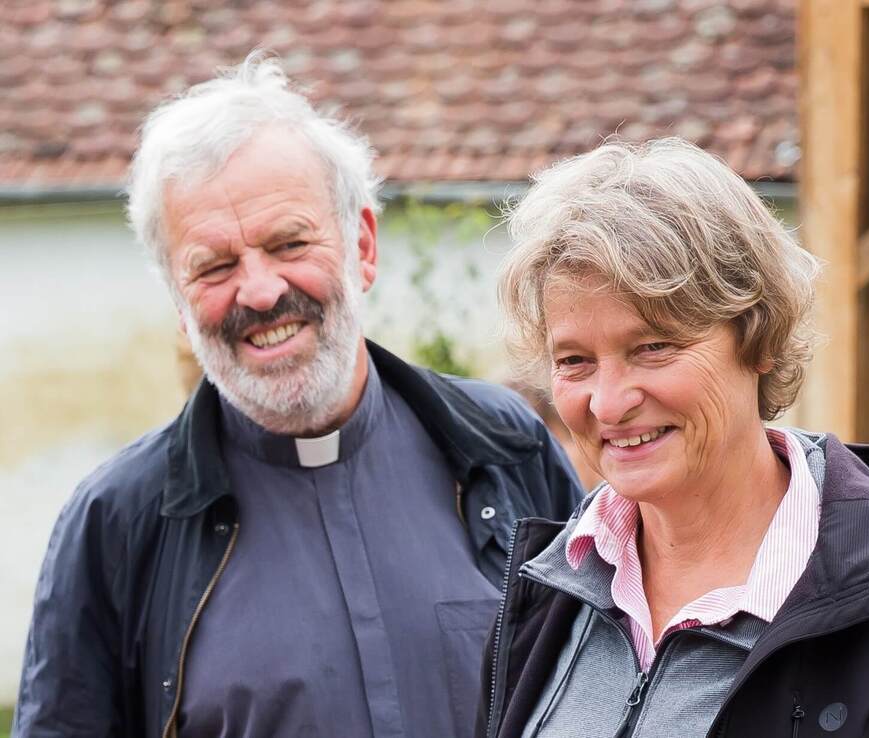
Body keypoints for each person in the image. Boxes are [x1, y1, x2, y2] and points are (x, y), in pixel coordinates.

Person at [13, 54, 582, 738]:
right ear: (177, 299)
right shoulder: (117, 525)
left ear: (362, 245)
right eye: (215, 265)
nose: (258, 291)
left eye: (288, 243)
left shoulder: (505, 450)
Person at [477, 138, 869, 737]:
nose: (609, 402)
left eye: (654, 347)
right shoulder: (544, 590)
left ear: (761, 339)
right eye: (574, 360)